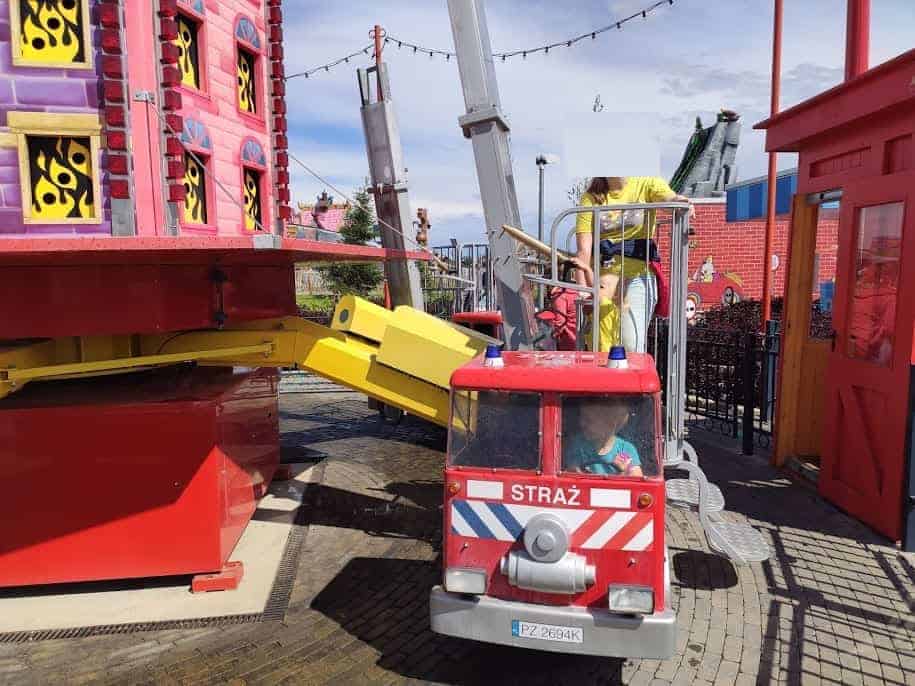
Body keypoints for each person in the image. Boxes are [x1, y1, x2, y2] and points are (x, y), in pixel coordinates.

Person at [572, 176, 693, 352]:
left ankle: (632, 377)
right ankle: (606, 379)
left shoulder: (647, 183)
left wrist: (680, 202)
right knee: (601, 344)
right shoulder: (591, 197)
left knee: (631, 344)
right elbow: (583, 250)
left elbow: (668, 199)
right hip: (603, 279)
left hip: (638, 276)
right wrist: (583, 290)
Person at [563, 399, 643, 477]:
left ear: (610, 425)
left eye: (589, 420)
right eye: (582, 418)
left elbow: (637, 479)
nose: (582, 424)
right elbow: (571, 474)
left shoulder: (625, 449)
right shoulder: (578, 445)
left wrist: (623, 472)